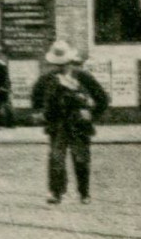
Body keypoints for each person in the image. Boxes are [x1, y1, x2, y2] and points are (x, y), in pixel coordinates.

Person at [32, 41, 110, 204]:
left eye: (64, 64)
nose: (60, 67)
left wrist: (91, 113)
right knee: (56, 159)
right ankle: (56, 193)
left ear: (70, 61)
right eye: (56, 64)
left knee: (81, 159)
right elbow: (36, 97)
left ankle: (84, 193)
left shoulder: (83, 77)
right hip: (57, 124)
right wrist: (38, 113)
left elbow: (102, 98)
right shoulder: (46, 79)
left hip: (79, 125)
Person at [0, 52, 14, 128]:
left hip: (2, 88)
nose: (5, 57)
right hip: (2, 89)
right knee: (4, 105)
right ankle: (8, 123)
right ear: (1, 56)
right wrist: (1, 87)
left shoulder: (1, 65)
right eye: (4, 56)